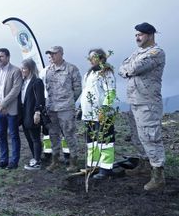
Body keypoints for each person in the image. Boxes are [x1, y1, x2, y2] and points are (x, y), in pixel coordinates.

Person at [118, 22, 166, 191]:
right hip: (134, 101)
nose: (137, 37)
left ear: (150, 35)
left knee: (151, 137)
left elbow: (136, 67)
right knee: (137, 136)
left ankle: (158, 175)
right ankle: (145, 165)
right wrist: (128, 69)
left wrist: (128, 69)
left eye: (140, 34)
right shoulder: (137, 52)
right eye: (136, 35)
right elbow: (121, 68)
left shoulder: (156, 52)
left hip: (148, 103)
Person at [43, 46, 82, 172]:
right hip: (52, 108)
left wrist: (69, 102)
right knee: (53, 135)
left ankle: (73, 161)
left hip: (66, 108)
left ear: (60, 53)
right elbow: (47, 89)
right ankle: (55, 160)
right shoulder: (48, 70)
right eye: (50, 54)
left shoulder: (71, 69)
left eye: (54, 54)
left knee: (69, 135)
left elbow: (77, 89)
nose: (52, 56)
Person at [80, 49, 116, 179]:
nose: (90, 60)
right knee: (92, 140)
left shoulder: (106, 72)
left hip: (102, 113)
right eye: (89, 57)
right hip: (89, 113)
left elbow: (110, 92)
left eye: (93, 57)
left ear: (101, 58)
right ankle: (93, 165)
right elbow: (86, 92)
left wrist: (104, 109)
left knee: (105, 140)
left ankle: (106, 169)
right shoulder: (88, 74)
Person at [0, 48, 23, 169]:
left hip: (11, 109)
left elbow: (16, 90)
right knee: (0, 135)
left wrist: (3, 104)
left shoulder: (16, 71)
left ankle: (14, 162)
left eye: (1, 56)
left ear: (8, 57)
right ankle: (3, 160)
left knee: (14, 135)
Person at [18, 58, 45, 170]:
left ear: (30, 69)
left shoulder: (37, 82)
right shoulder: (24, 82)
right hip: (24, 113)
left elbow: (40, 99)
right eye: (22, 68)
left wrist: (37, 112)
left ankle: (37, 161)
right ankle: (35, 157)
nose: (22, 70)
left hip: (32, 113)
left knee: (35, 137)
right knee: (28, 137)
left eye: (24, 68)